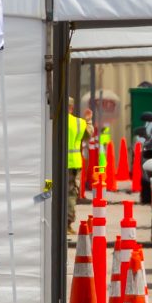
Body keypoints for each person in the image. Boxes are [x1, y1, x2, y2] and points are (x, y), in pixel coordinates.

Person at [65, 97, 93, 234]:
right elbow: (89, 134)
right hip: (73, 164)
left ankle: (47, 216)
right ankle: (67, 224)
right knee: (70, 194)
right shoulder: (78, 123)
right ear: (71, 108)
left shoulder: (52, 120)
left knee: (49, 188)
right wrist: (88, 119)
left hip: (53, 164)